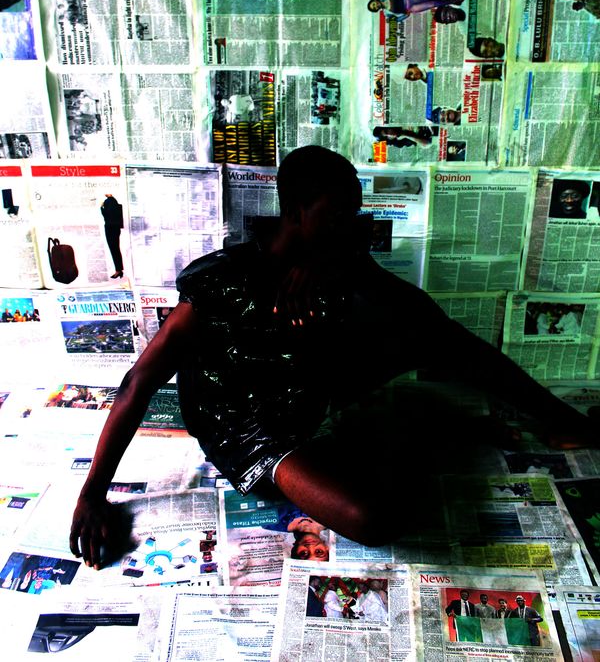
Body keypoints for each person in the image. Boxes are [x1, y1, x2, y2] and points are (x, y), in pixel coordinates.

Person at [70, 146, 599, 569]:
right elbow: (139, 381)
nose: (351, 222)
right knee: (372, 519)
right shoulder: (223, 279)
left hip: (309, 381)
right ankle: (420, 426)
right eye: (337, 213)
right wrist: (93, 493)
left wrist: (332, 262)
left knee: (442, 338)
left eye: (354, 211)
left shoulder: (336, 254)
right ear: (297, 211)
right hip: (251, 427)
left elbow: (423, 316)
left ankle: (560, 419)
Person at [368, 0, 464, 22]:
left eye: (374, 4)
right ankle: (454, 0)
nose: (376, 6)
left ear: (375, 0)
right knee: (432, 4)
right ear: (376, 10)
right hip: (411, 8)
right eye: (374, 8)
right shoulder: (386, 13)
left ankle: (453, 0)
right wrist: (405, 15)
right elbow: (397, 20)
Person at [100, 194, 124, 278]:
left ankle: (118, 270)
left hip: (110, 230)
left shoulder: (108, 209)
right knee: (116, 250)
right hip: (116, 229)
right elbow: (114, 204)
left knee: (114, 250)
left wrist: (101, 207)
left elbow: (105, 213)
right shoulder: (116, 207)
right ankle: (119, 270)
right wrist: (111, 197)